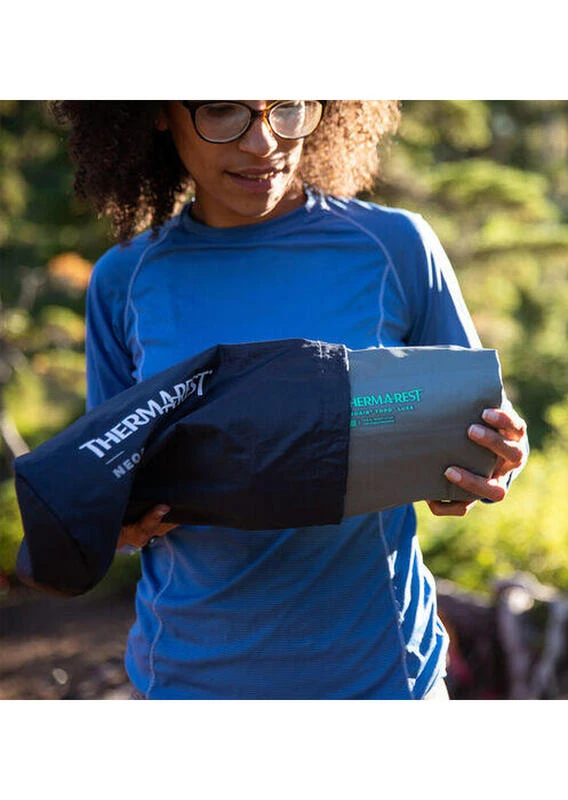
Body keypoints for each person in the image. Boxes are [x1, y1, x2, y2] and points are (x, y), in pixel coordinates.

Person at [53, 100, 529, 700]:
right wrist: (118, 523)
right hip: (190, 682)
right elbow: (110, 482)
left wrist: (496, 460)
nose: (264, 143)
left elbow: (483, 425)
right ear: (157, 111)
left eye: (289, 107)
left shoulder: (395, 246)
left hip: (384, 679)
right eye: (224, 111)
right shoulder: (124, 280)